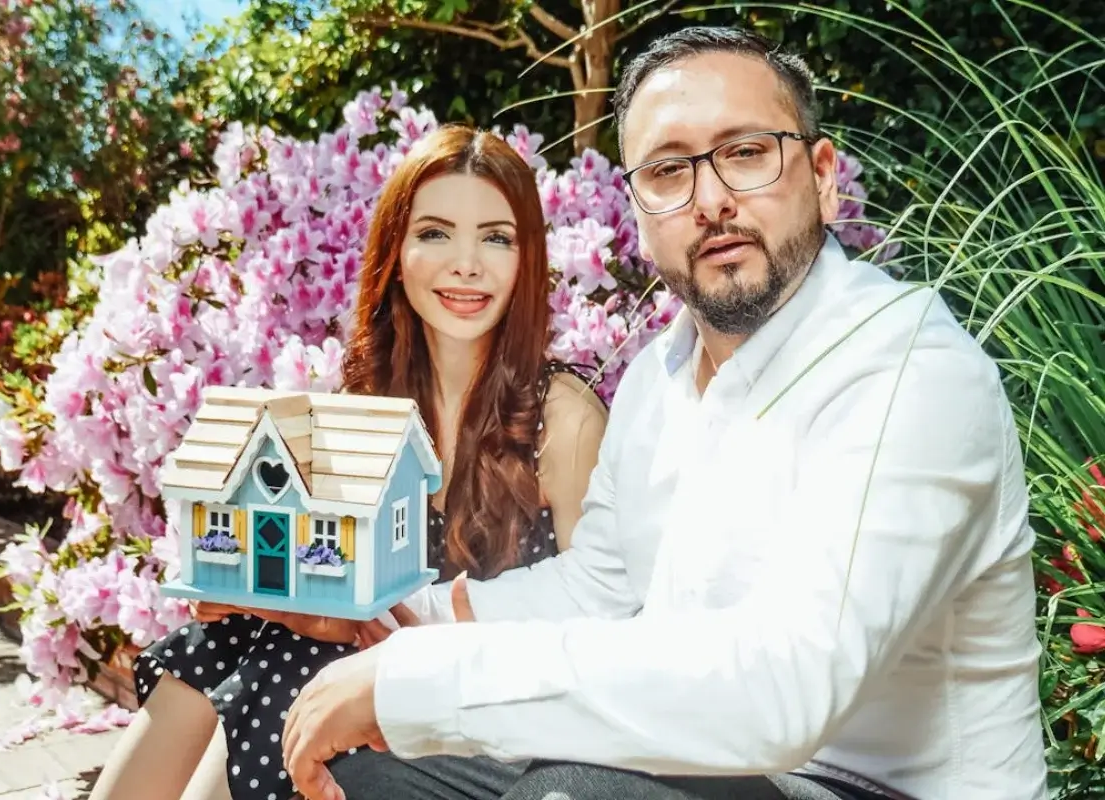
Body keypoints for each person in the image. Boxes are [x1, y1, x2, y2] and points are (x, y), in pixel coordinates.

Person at [276, 26, 1050, 800]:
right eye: (670, 171)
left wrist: (424, 682)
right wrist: (388, 617)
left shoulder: (906, 369)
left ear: (821, 177)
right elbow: (599, 591)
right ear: (640, 211)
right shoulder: (658, 380)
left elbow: (783, 695)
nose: (711, 200)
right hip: (711, 774)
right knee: (378, 773)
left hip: (871, 787)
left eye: (747, 152)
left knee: (579, 792)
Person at [87, 124, 610, 800]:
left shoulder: (562, 418)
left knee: (296, 661)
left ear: (527, 258)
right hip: (349, 671)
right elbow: (323, 578)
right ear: (396, 253)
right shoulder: (368, 401)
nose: (466, 263)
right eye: (435, 233)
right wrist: (264, 595)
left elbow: (600, 631)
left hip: (492, 710)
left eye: (496, 237)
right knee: (235, 644)